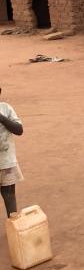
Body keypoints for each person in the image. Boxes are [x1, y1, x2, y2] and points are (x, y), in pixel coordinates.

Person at [0, 87, 24, 217]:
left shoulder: (5, 108)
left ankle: (14, 230)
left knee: (9, 197)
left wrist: (2, 118)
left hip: (7, 163)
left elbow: (19, 130)